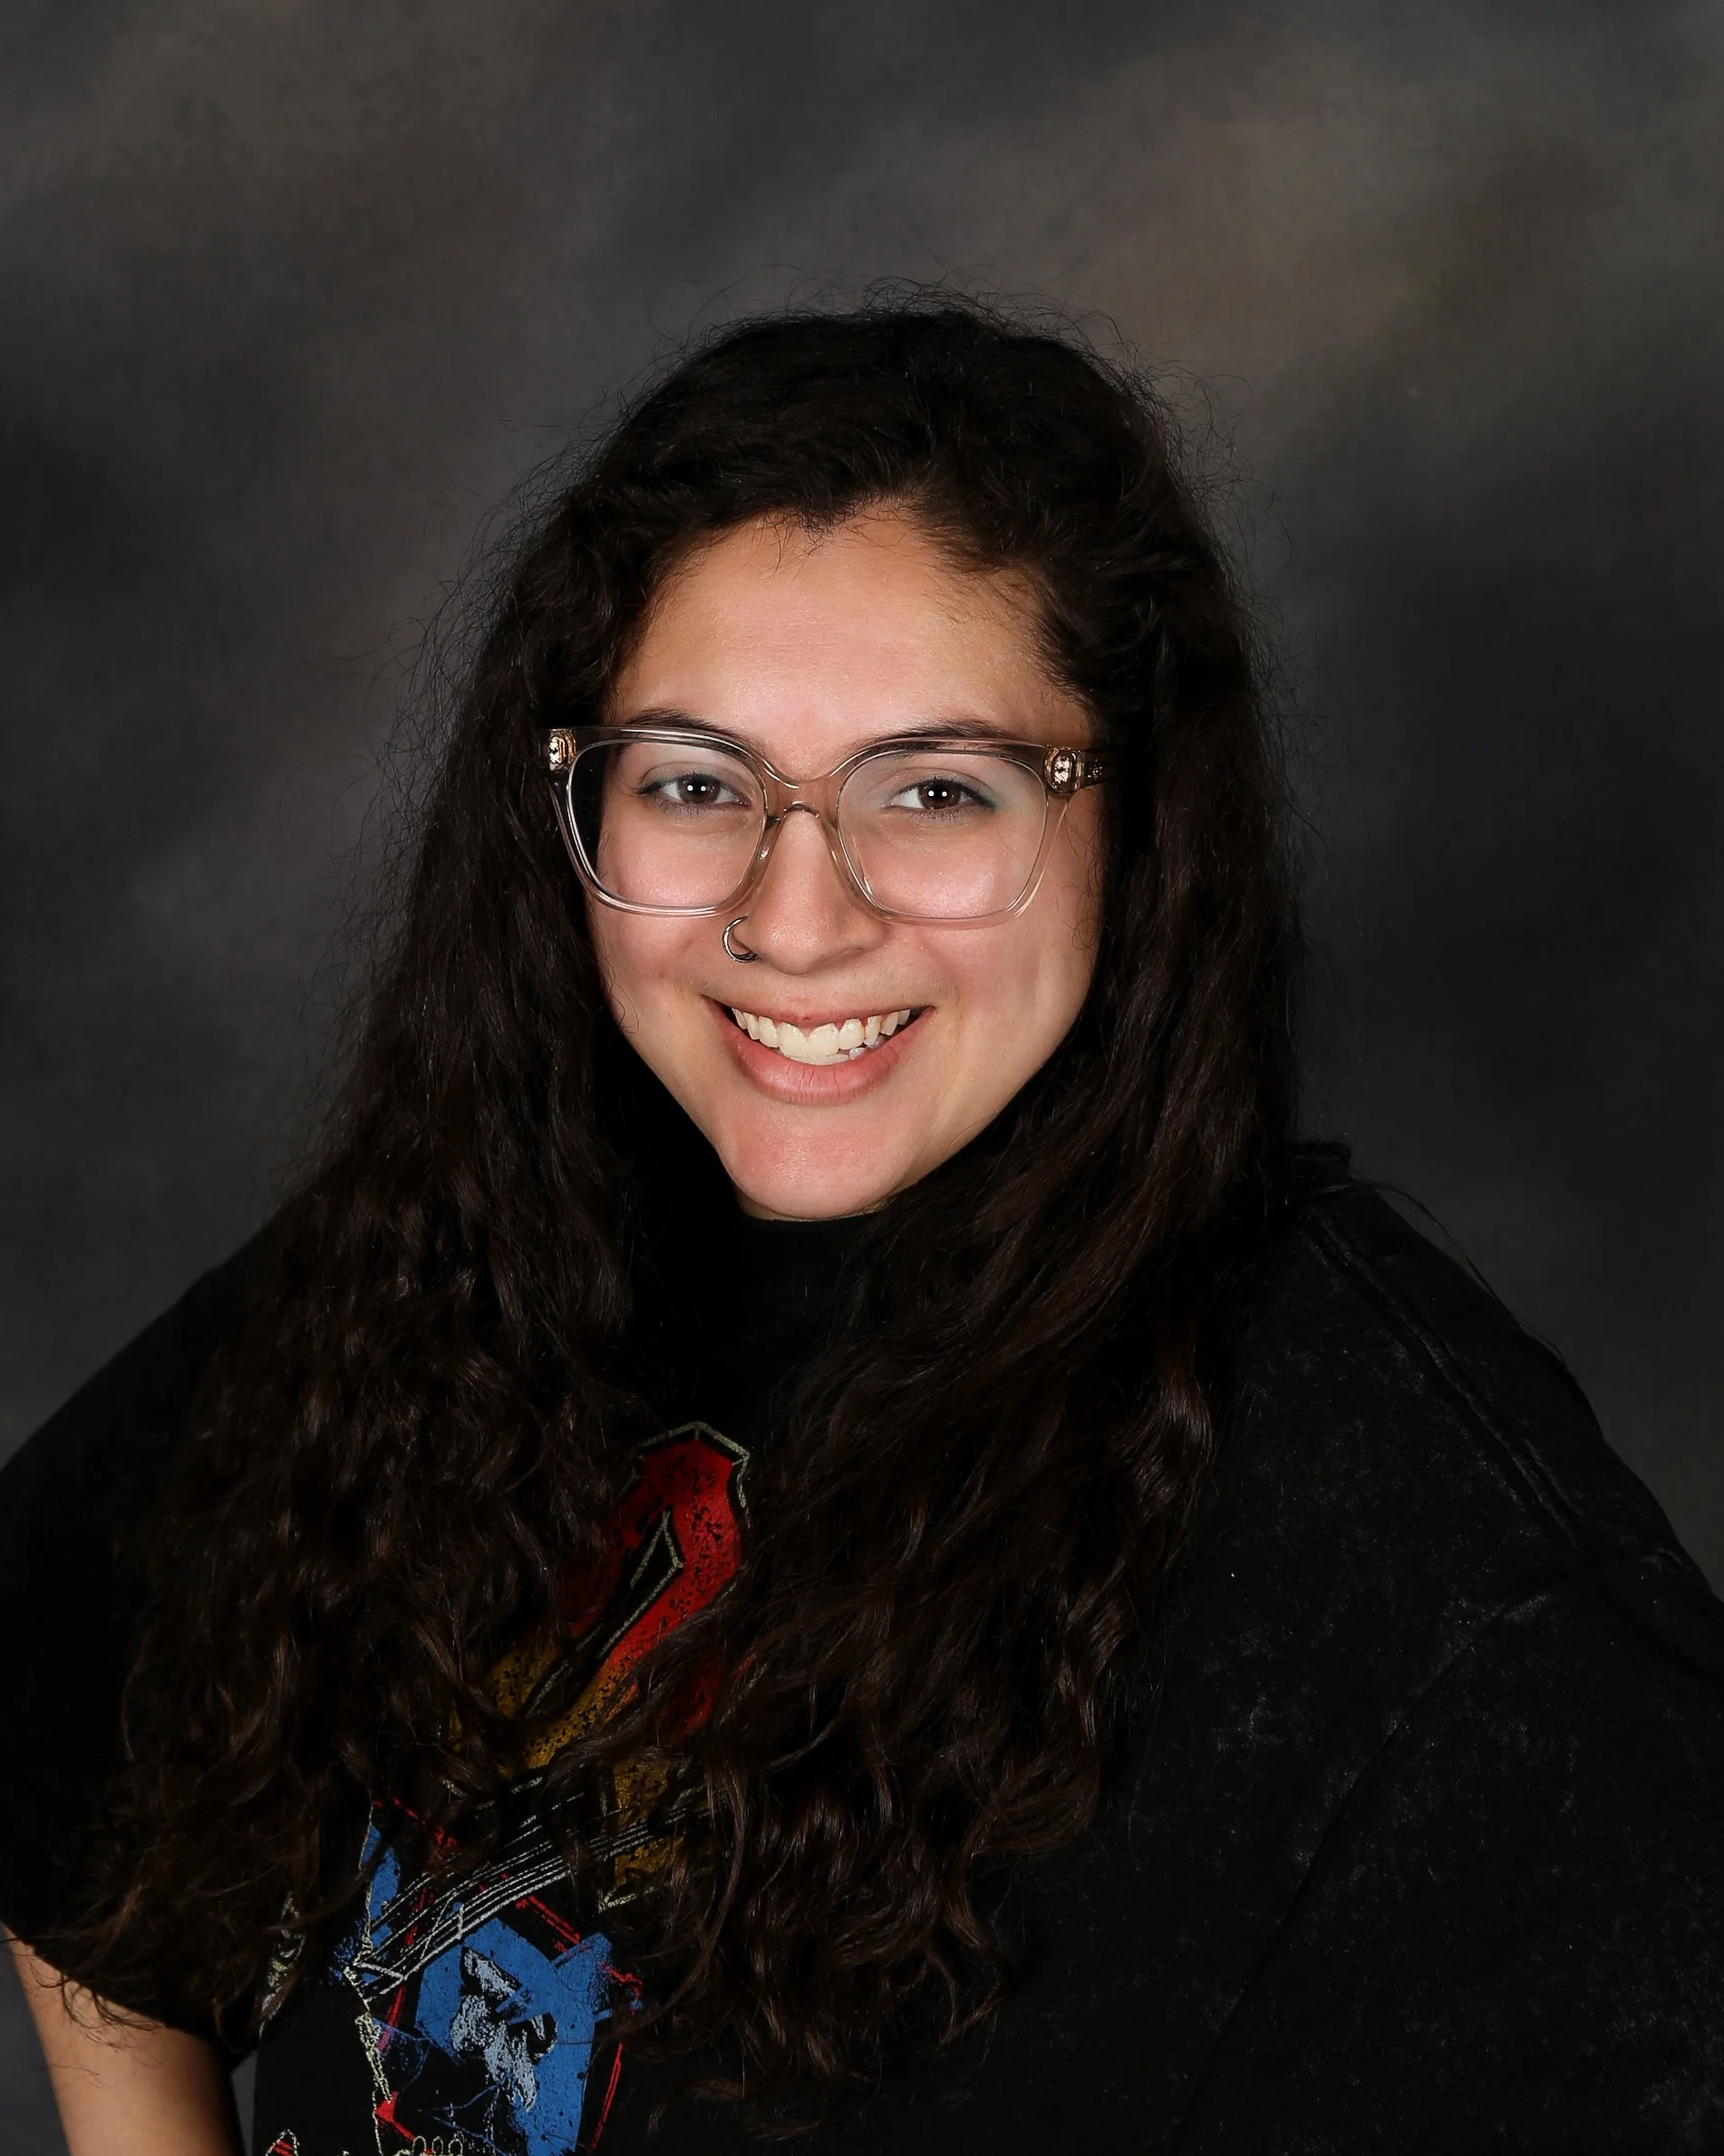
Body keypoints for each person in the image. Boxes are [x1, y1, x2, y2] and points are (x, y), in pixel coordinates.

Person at [3, 299, 1721, 2156]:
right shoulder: (499, 1227)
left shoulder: (1434, 1567)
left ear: (1136, 822)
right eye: (694, 783)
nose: (794, 919)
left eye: (935, 792)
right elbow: (59, 1721)